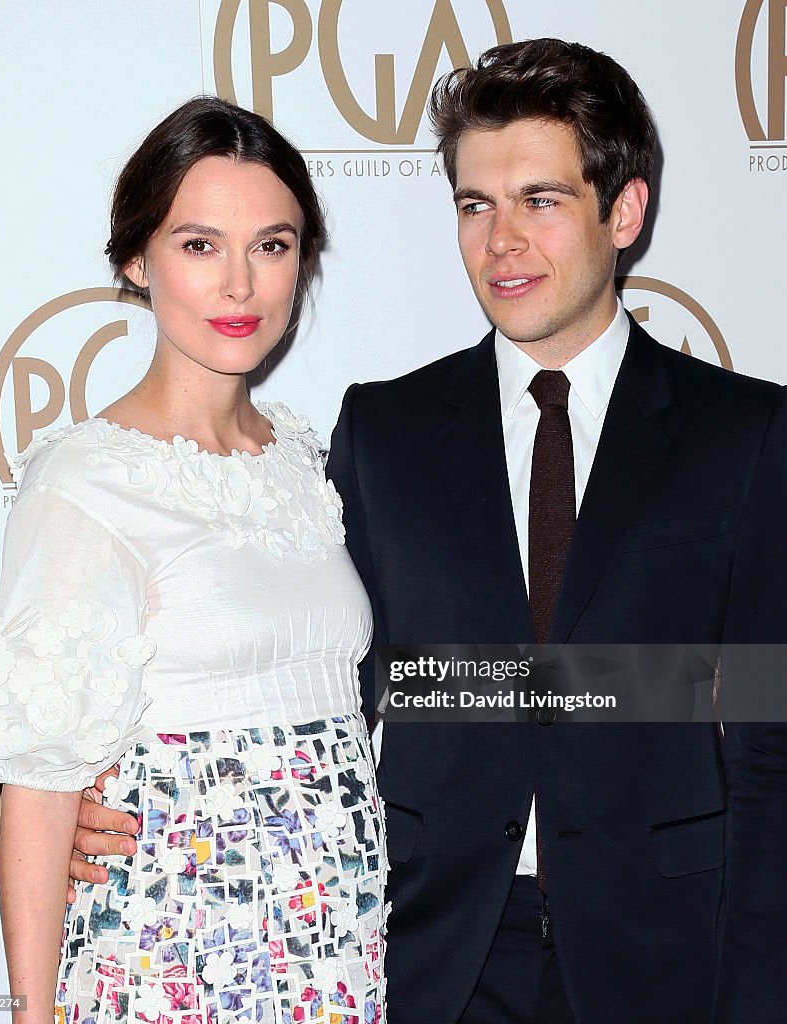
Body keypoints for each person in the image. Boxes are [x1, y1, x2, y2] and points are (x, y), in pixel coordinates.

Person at [70, 38, 787, 1024]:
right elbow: (319, 678)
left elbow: (765, 736)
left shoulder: (741, 437)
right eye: (473, 204)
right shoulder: (387, 429)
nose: (500, 242)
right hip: (429, 951)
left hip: (662, 948)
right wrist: (117, 800)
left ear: (622, 211)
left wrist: (756, 996)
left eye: (539, 200)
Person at [0, 97, 386, 1024]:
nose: (240, 286)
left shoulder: (304, 459)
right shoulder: (85, 479)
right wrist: (33, 1016)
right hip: (171, 942)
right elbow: (39, 783)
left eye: (272, 245)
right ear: (136, 261)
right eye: (199, 245)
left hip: (331, 941)